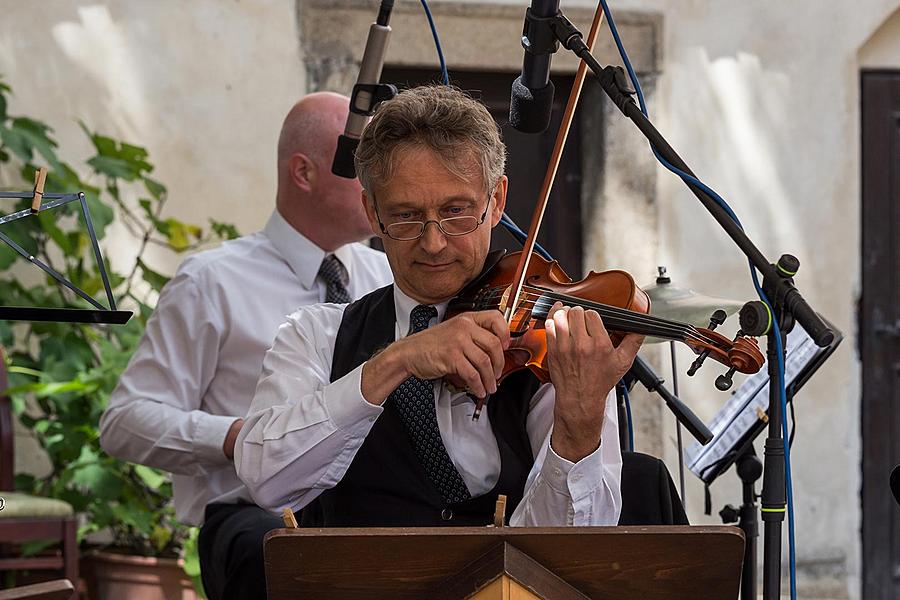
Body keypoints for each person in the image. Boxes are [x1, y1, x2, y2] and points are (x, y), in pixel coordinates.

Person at [235, 85, 643, 529]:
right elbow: (265, 480)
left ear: (497, 201)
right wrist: (396, 359)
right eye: (407, 215)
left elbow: (572, 542)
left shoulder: (548, 348)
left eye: (456, 212)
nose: (433, 242)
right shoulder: (317, 335)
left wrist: (579, 426)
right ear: (373, 214)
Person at [99, 92, 393, 600]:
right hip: (257, 516)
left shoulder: (387, 275)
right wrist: (237, 438)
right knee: (279, 556)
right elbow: (123, 421)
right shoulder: (211, 281)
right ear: (304, 173)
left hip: (374, 507)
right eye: (362, 166)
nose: (382, 183)